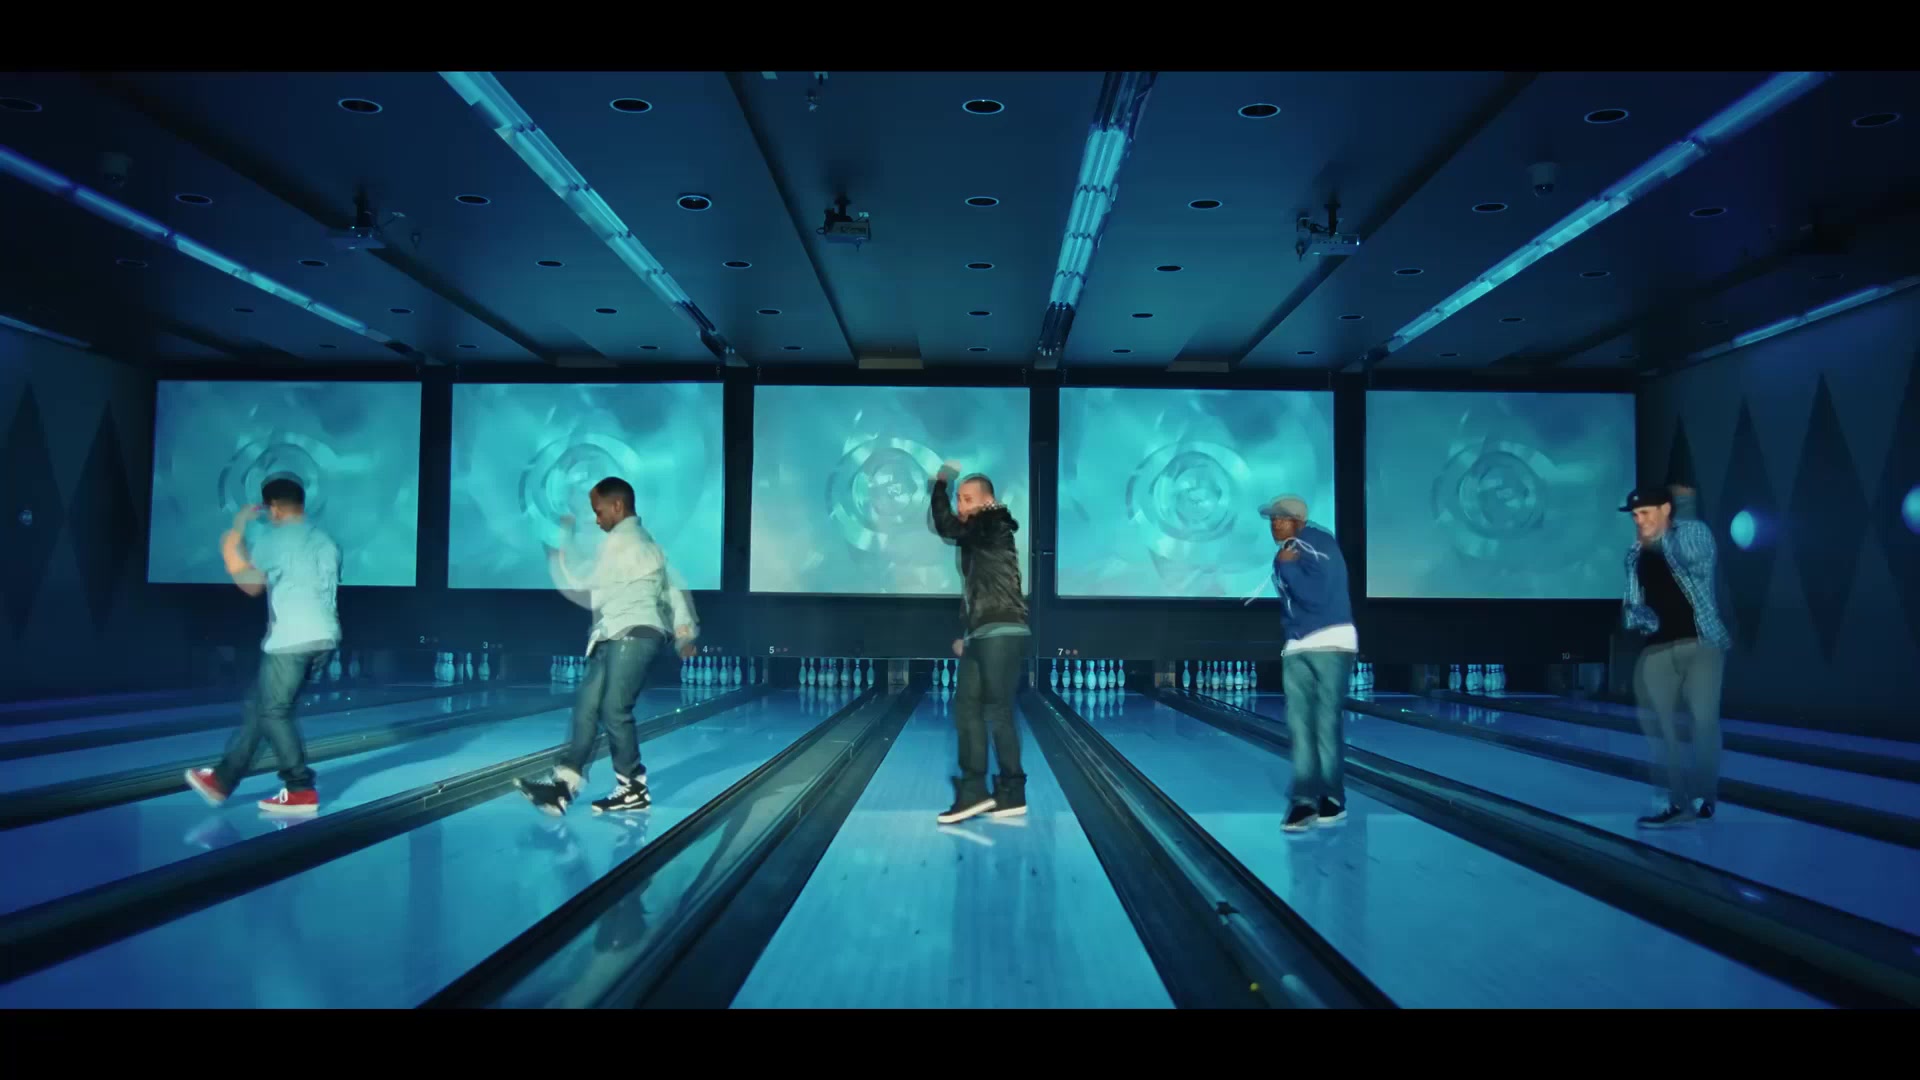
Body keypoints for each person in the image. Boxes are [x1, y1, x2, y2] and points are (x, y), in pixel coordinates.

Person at [515, 476, 699, 816]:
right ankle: (563, 785)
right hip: (611, 633)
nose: (596, 519)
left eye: (598, 511)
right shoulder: (645, 544)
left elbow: (582, 582)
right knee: (586, 708)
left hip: (635, 632)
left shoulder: (624, 543)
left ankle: (632, 786)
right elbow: (673, 588)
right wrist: (684, 631)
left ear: (617, 506)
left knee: (614, 709)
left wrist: (561, 546)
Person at [185, 477, 341, 816]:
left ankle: (299, 789)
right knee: (260, 707)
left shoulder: (274, 539)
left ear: (273, 508)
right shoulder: (325, 540)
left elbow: (251, 586)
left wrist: (232, 542)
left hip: (292, 640)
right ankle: (221, 780)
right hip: (325, 637)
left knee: (273, 712)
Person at [1620, 484, 1731, 828]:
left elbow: (1692, 559)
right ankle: (1675, 803)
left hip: (1701, 644)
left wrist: (1677, 516)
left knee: (1703, 723)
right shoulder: (1634, 554)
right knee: (1662, 730)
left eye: (1645, 513)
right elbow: (1633, 602)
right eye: (1635, 515)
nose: (1639, 520)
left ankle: (1704, 797)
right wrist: (1640, 619)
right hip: (1658, 649)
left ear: (1666, 510)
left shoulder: (1692, 533)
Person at [929, 463, 1030, 825]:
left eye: (967, 499)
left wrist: (941, 483)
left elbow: (946, 526)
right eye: (959, 498)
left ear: (987, 502)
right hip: (982, 632)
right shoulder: (981, 530)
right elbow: (979, 585)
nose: (961, 505)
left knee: (996, 711)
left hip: (1002, 630)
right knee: (967, 708)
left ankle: (1012, 789)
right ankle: (974, 791)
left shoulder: (991, 522)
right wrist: (968, 634)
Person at [1261, 495, 1358, 834]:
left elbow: (1316, 598)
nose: (1275, 524)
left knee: (1325, 724)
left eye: (1282, 518)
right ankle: (1304, 800)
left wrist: (1287, 567)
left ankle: (1332, 798)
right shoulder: (1290, 549)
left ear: (1299, 521)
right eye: (1272, 519)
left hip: (1329, 642)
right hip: (1298, 645)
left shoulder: (1317, 544)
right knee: (1301, 728)